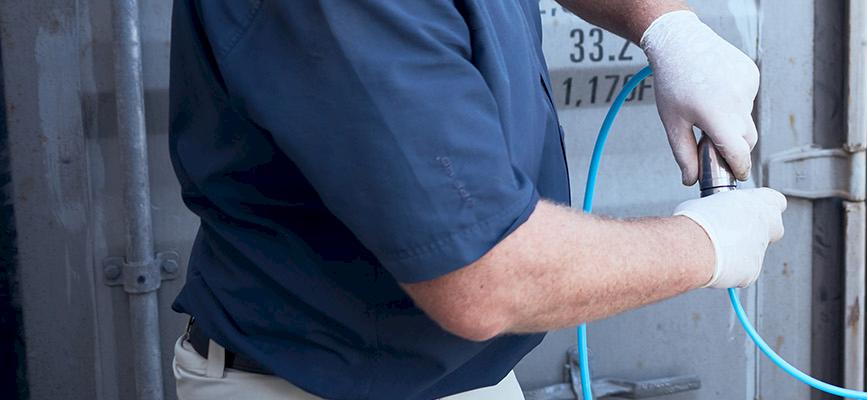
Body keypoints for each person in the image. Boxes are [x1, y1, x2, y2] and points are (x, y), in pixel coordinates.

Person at [167, 0, 786, 398]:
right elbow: (486, 276)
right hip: (310, 382)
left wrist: (664, 25)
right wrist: (706, 244)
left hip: (452, 375)